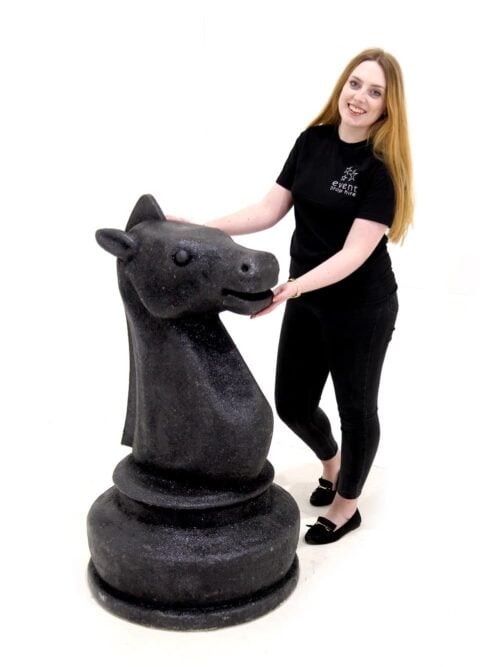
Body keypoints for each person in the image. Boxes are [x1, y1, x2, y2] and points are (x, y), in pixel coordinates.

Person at [174, 48, 413, 545]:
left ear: (387, 107)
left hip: (360, 308)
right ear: (342, 86)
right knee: (292, 403)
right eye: (355, 84)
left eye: (375, 92)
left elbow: (355, 253)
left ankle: (347, 507)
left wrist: (294, 286)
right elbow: (270, 208)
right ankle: (333, 464)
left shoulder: (381, 168)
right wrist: (202, 230)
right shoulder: (312, 141)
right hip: (307, 297)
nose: (360, 98)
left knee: (356, 411)